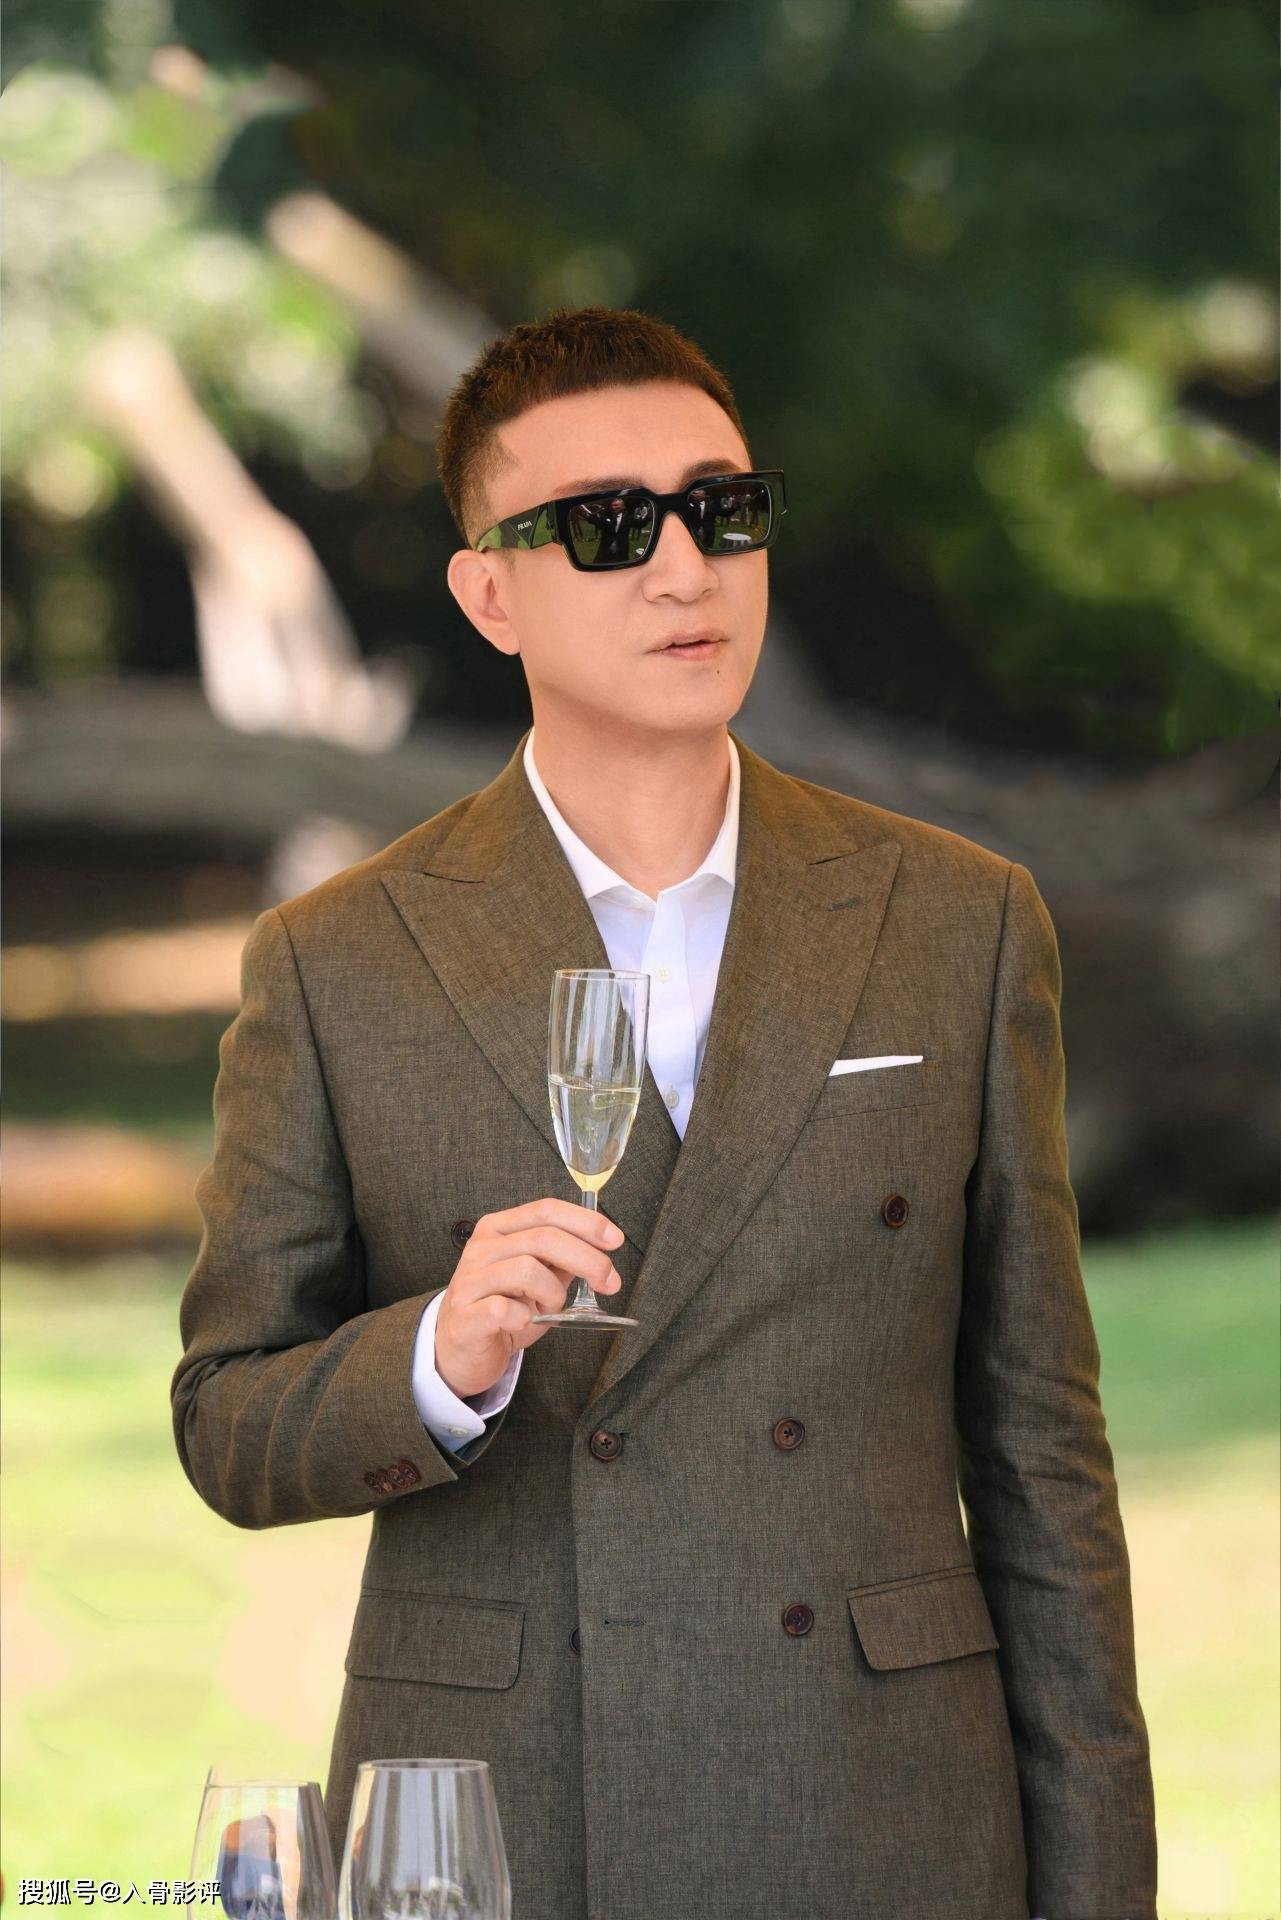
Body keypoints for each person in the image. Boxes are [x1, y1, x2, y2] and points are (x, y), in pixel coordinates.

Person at [171, 305, 1158, 1920]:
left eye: (722, 508)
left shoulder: (956, 919)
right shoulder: (337, 957)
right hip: (501, 1812)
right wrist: (437, 1361)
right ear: (488, 594)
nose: (686, 568)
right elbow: (227, 1423)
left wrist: (1101, 1890)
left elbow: (1042, 1455)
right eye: (608, 527)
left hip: (879, 1803)